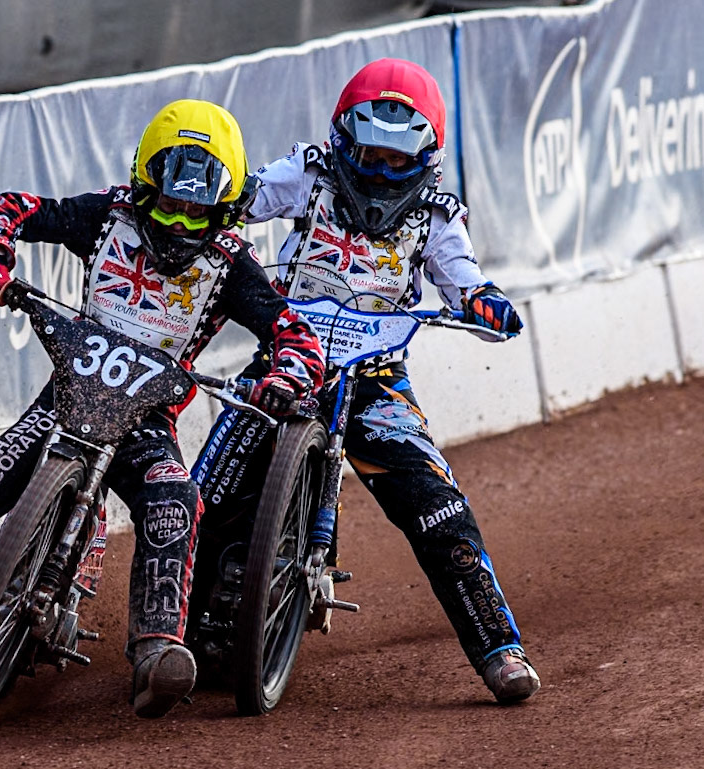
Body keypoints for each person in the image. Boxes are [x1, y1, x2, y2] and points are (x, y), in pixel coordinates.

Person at [0, 99, 327, 718]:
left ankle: (157, 650)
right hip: (63, 403)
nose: (181, 223)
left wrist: (288, 376)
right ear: (144, 185)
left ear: (227, 209)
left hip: (145, 425)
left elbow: (296, 332)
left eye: (198, 211)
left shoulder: (232, 265)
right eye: (170, 202)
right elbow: (5, 209)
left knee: (175, 498)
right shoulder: (108, 215)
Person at [189, 58, 540, 704]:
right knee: (202, 491)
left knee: (439, 506)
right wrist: (219, 204)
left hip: (376, 381)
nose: (379, 171)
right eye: (369, 154)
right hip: (287, 357)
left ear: (425, 158)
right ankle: (171, 635)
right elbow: (247, 196)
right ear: (342, 139)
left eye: (395, 159)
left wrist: (484, 303)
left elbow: (465, 281)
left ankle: (500, 649)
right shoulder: (310, 172)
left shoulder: (437, 217)